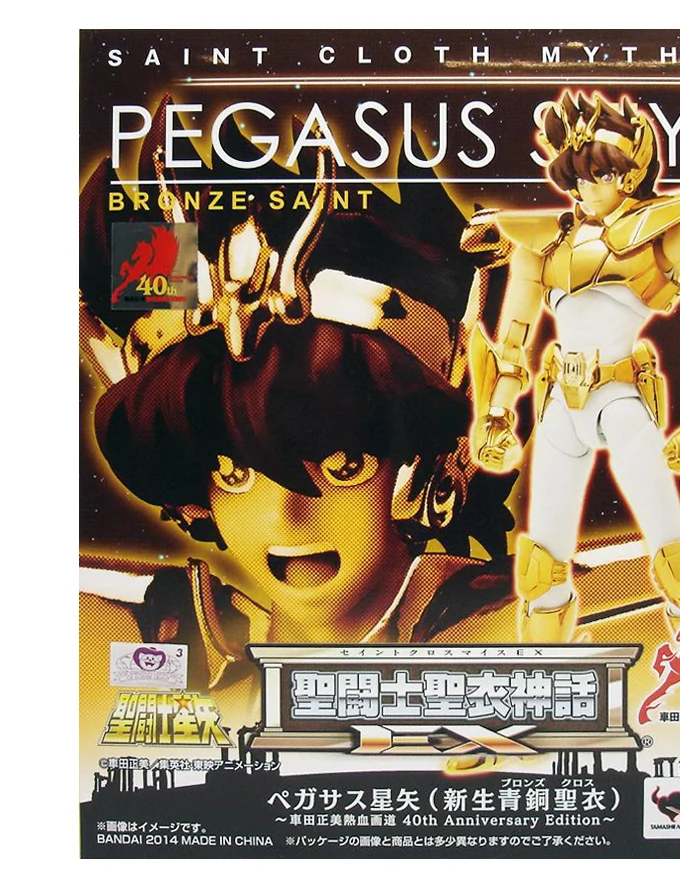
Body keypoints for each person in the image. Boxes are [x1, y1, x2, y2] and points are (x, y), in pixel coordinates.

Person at [80, 123, 517, 697]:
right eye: (233, 474)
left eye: (343, 466)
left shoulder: (516, 621)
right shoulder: (151, 642)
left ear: (424, 472)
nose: (286, 516)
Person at [465, 91, 680, 644]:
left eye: (599, 174)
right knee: (539, 568)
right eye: (577, 174)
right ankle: (545, 681)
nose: (585, 187)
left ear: (629, 174)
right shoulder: (543, 242)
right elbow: (514, 338)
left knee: (675, 560)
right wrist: (498, 413)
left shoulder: (667, 234)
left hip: (622, 402)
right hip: (560, 408)